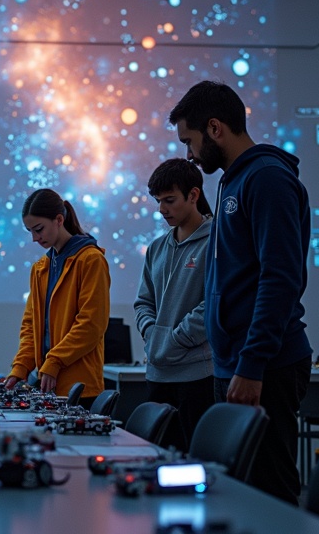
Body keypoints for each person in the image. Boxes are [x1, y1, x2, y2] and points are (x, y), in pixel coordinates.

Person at [169, 80, 312, 505]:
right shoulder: (231, 181)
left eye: (189, 141)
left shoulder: (266, 178)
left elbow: (280, 277)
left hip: (264, 364)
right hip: (234, 362)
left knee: (269, 492)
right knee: (236, 492)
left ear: (215, 128)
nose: (189, 155)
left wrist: (251, 365)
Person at [133, 158, 215, 452]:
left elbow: (214, 305)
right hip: (157, 374)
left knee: (196, 464)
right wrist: (152, 333)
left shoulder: (217, 241)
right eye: (158, 201)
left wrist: (176, 338)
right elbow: (143, 302)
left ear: (193, 195)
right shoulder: (156, 247)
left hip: (198, 376)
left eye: (169, 200)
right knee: (156, 460)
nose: (161, 209)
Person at [4, 189, 111, 407]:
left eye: (39, 229)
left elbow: (91, 325)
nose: (35, 238)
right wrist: (21, 368)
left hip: (80, 388)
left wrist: (54, 361)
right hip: (47, 385)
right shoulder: (40, 268)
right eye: (30, 231)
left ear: (59, 220)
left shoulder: (91, 260)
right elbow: (31, 327)